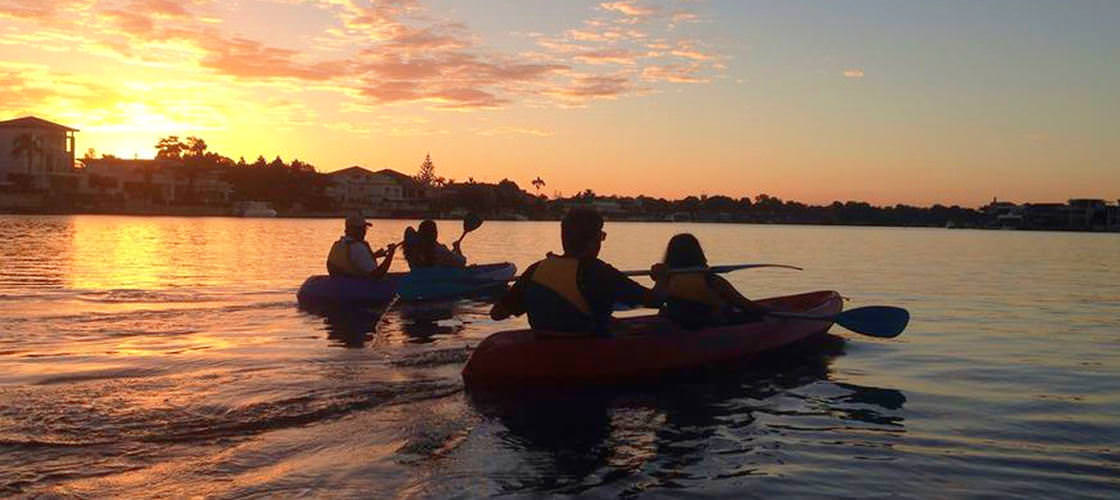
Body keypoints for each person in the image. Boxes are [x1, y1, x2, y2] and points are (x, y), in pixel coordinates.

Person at [490, 208, 669, 336]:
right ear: (593, 241)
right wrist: (661, 279)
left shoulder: (535, 269)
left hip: (542, 352)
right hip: (587, 353)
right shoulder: (600, 272)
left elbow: (497, 314)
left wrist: (521, 293)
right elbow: (656, 301)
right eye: (601, 236)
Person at [655, 233, 769, 329]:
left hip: (678, 324)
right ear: (698, 254)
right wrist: (765, 311)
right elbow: (742, 303)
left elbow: (656, 300)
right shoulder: (712, 280)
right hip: (710, 324)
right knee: (755, 316)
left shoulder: (665, 279)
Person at [326, 214, 397, 279]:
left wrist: (373, 256)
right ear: (352, 229)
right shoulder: (358, 248)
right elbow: (377, 275)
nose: (364, 231)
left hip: (340, 286)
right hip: (358, 288)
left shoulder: (339, 244)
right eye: (362, 228)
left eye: (364, 228)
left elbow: (351, 263)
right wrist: (390, 254)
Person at [403, 219, 467, 269]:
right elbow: (461, 262)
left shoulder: (412, 249)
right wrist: (457, 249)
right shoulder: (440, 251)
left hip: (417, 280)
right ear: (435, 234)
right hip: (437, 281)